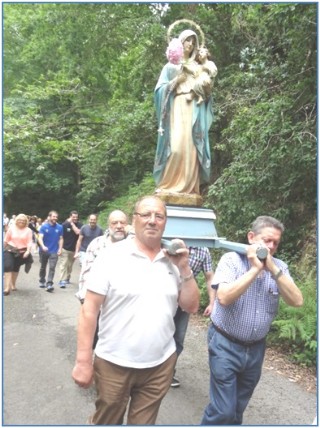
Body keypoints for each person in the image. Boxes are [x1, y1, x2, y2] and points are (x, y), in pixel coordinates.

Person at [72, 195, 200, 425]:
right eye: (146, 215)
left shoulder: (174, 260)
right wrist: (83, 361)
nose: (152, 221)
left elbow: (190, 306)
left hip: (159, 365)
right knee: (107, 420)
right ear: (134, 220)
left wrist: (184, 267)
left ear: (165, 222)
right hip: (113, 363)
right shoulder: (111, 255)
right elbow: (89, 309)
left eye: (159, 216)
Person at [201, 216, 304, 425]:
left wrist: (273, 269)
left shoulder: (279, 267)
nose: (271, 246)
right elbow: (224, 297)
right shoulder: (231, 260)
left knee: (238, 410)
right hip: (225, 343)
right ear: (251, 237)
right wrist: (255, 269)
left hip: (256, 350)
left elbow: (297, 301)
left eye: (275, 243)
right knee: (223, 410)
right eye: (267, 240)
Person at [154, 29, 213, 197]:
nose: (191, 44)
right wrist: (175, 82)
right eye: (188, 40)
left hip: (195, 109)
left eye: (193, 41)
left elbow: (206, 92)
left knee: (192, 147)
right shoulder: (171, 66)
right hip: (177, 107)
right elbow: (159, 91)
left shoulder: (198, 67)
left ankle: (190, 188)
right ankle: (168, 185)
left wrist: (207, 91)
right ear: (180, 42)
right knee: (176, 147)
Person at [171, 246, 215, 388]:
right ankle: (148, 369)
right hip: (164, 297)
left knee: (178, 337)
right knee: (157, 332)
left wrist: (212, 302)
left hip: (185, 299)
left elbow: (209, 277)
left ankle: (168, 373)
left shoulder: (203, 250)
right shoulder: (171, 242)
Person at [76, 210, 128, 304]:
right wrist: (84, 298)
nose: (119, 226)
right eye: (114, 223)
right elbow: (86, 273)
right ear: (109, 225)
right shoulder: (97, 244)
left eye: (122, 223)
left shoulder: (134, 245)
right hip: (98, 302)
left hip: (123, 304)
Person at [3, 214, 34, 295]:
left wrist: (28, 251)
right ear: (16, 220)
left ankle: (13, 284)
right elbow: (6, 240)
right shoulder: (11, 229)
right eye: (20, 220)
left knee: (16, 268)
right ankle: (7, 288)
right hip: (10, 249)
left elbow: (29, 242)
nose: (21, 222)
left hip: (21, 252)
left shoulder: (28, 230)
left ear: (26, 222)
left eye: (23, 221)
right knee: (8, 266)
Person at [37, 210, 63, 292]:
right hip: (44, 250)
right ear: (49, 217)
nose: (55, 218)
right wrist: (43, 246)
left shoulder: (60, 227)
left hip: (54, 251)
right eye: (53, 216)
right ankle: (42, 280)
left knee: (52, 267)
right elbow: (40, 237)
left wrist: (60, 249)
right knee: (43, 267)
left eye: (56, 217)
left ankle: (49, 283)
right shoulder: (44, 227)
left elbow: (61, 239)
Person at [59, 210, 82, 288]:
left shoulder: (79, 224)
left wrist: (72, 224)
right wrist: (59, 248)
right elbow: (61, 237)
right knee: (64, 264)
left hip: (74, 249)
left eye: (76, 217)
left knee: (70, 265)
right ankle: (62, 280)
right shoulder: (64, 225)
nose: (75, 218)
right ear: (70, 216)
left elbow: (78, 232)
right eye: (73, 217)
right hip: (65, 248)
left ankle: (67, 277)